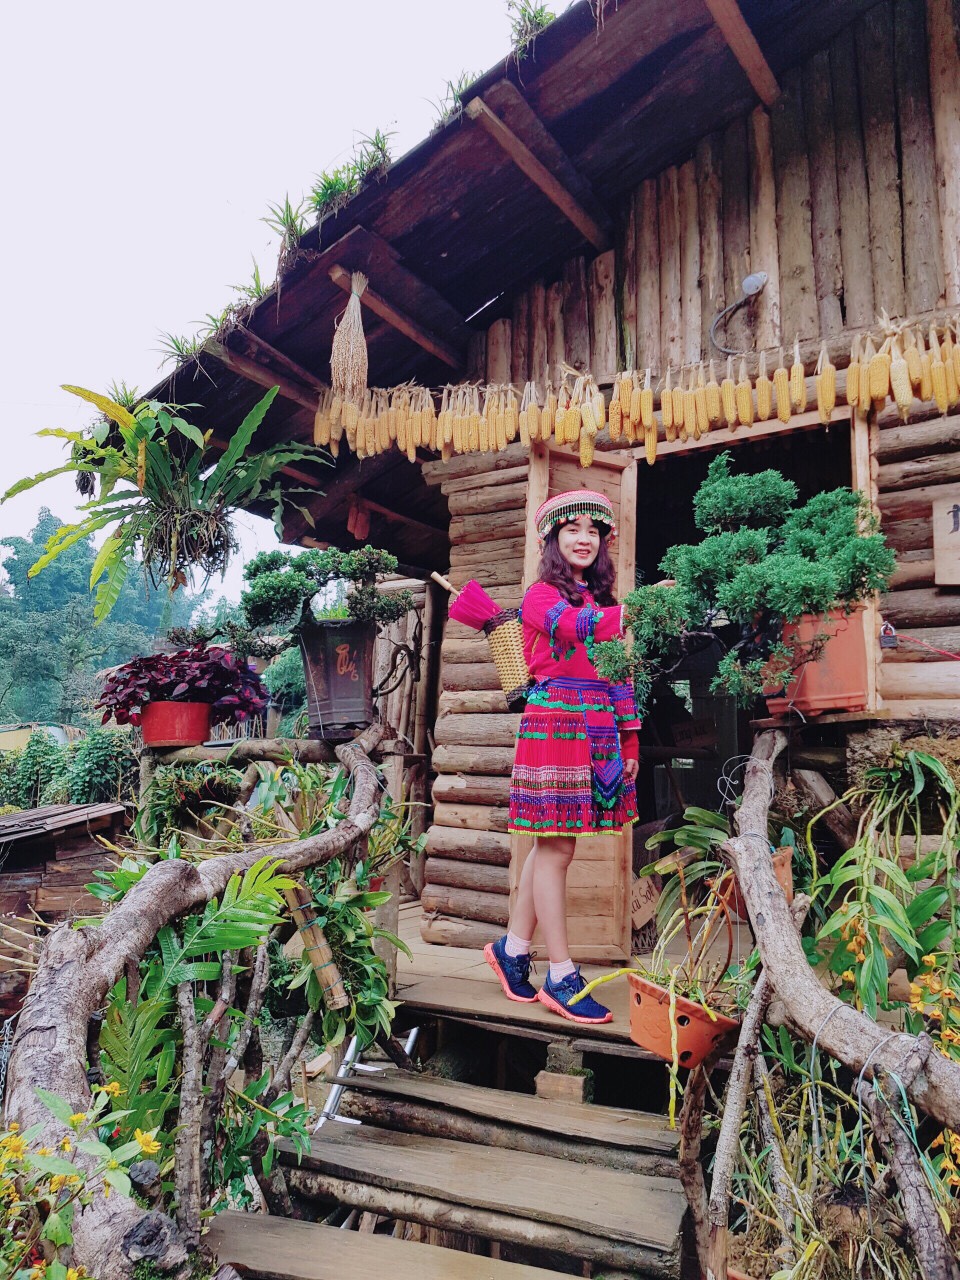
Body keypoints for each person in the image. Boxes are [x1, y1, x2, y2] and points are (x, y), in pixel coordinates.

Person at [484, 489, 641, 1025]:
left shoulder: (601, 603)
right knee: (557, 847)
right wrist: (633, 612)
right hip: (554, 724)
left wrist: (630, 739)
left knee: (550, 845)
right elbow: (573, 628)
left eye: (593, 531)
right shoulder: (540, 596)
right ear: (552, 540)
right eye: (572, 529)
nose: (584, 539)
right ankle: (560, 973)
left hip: (595, 728)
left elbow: (618, 674)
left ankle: (512, 950)